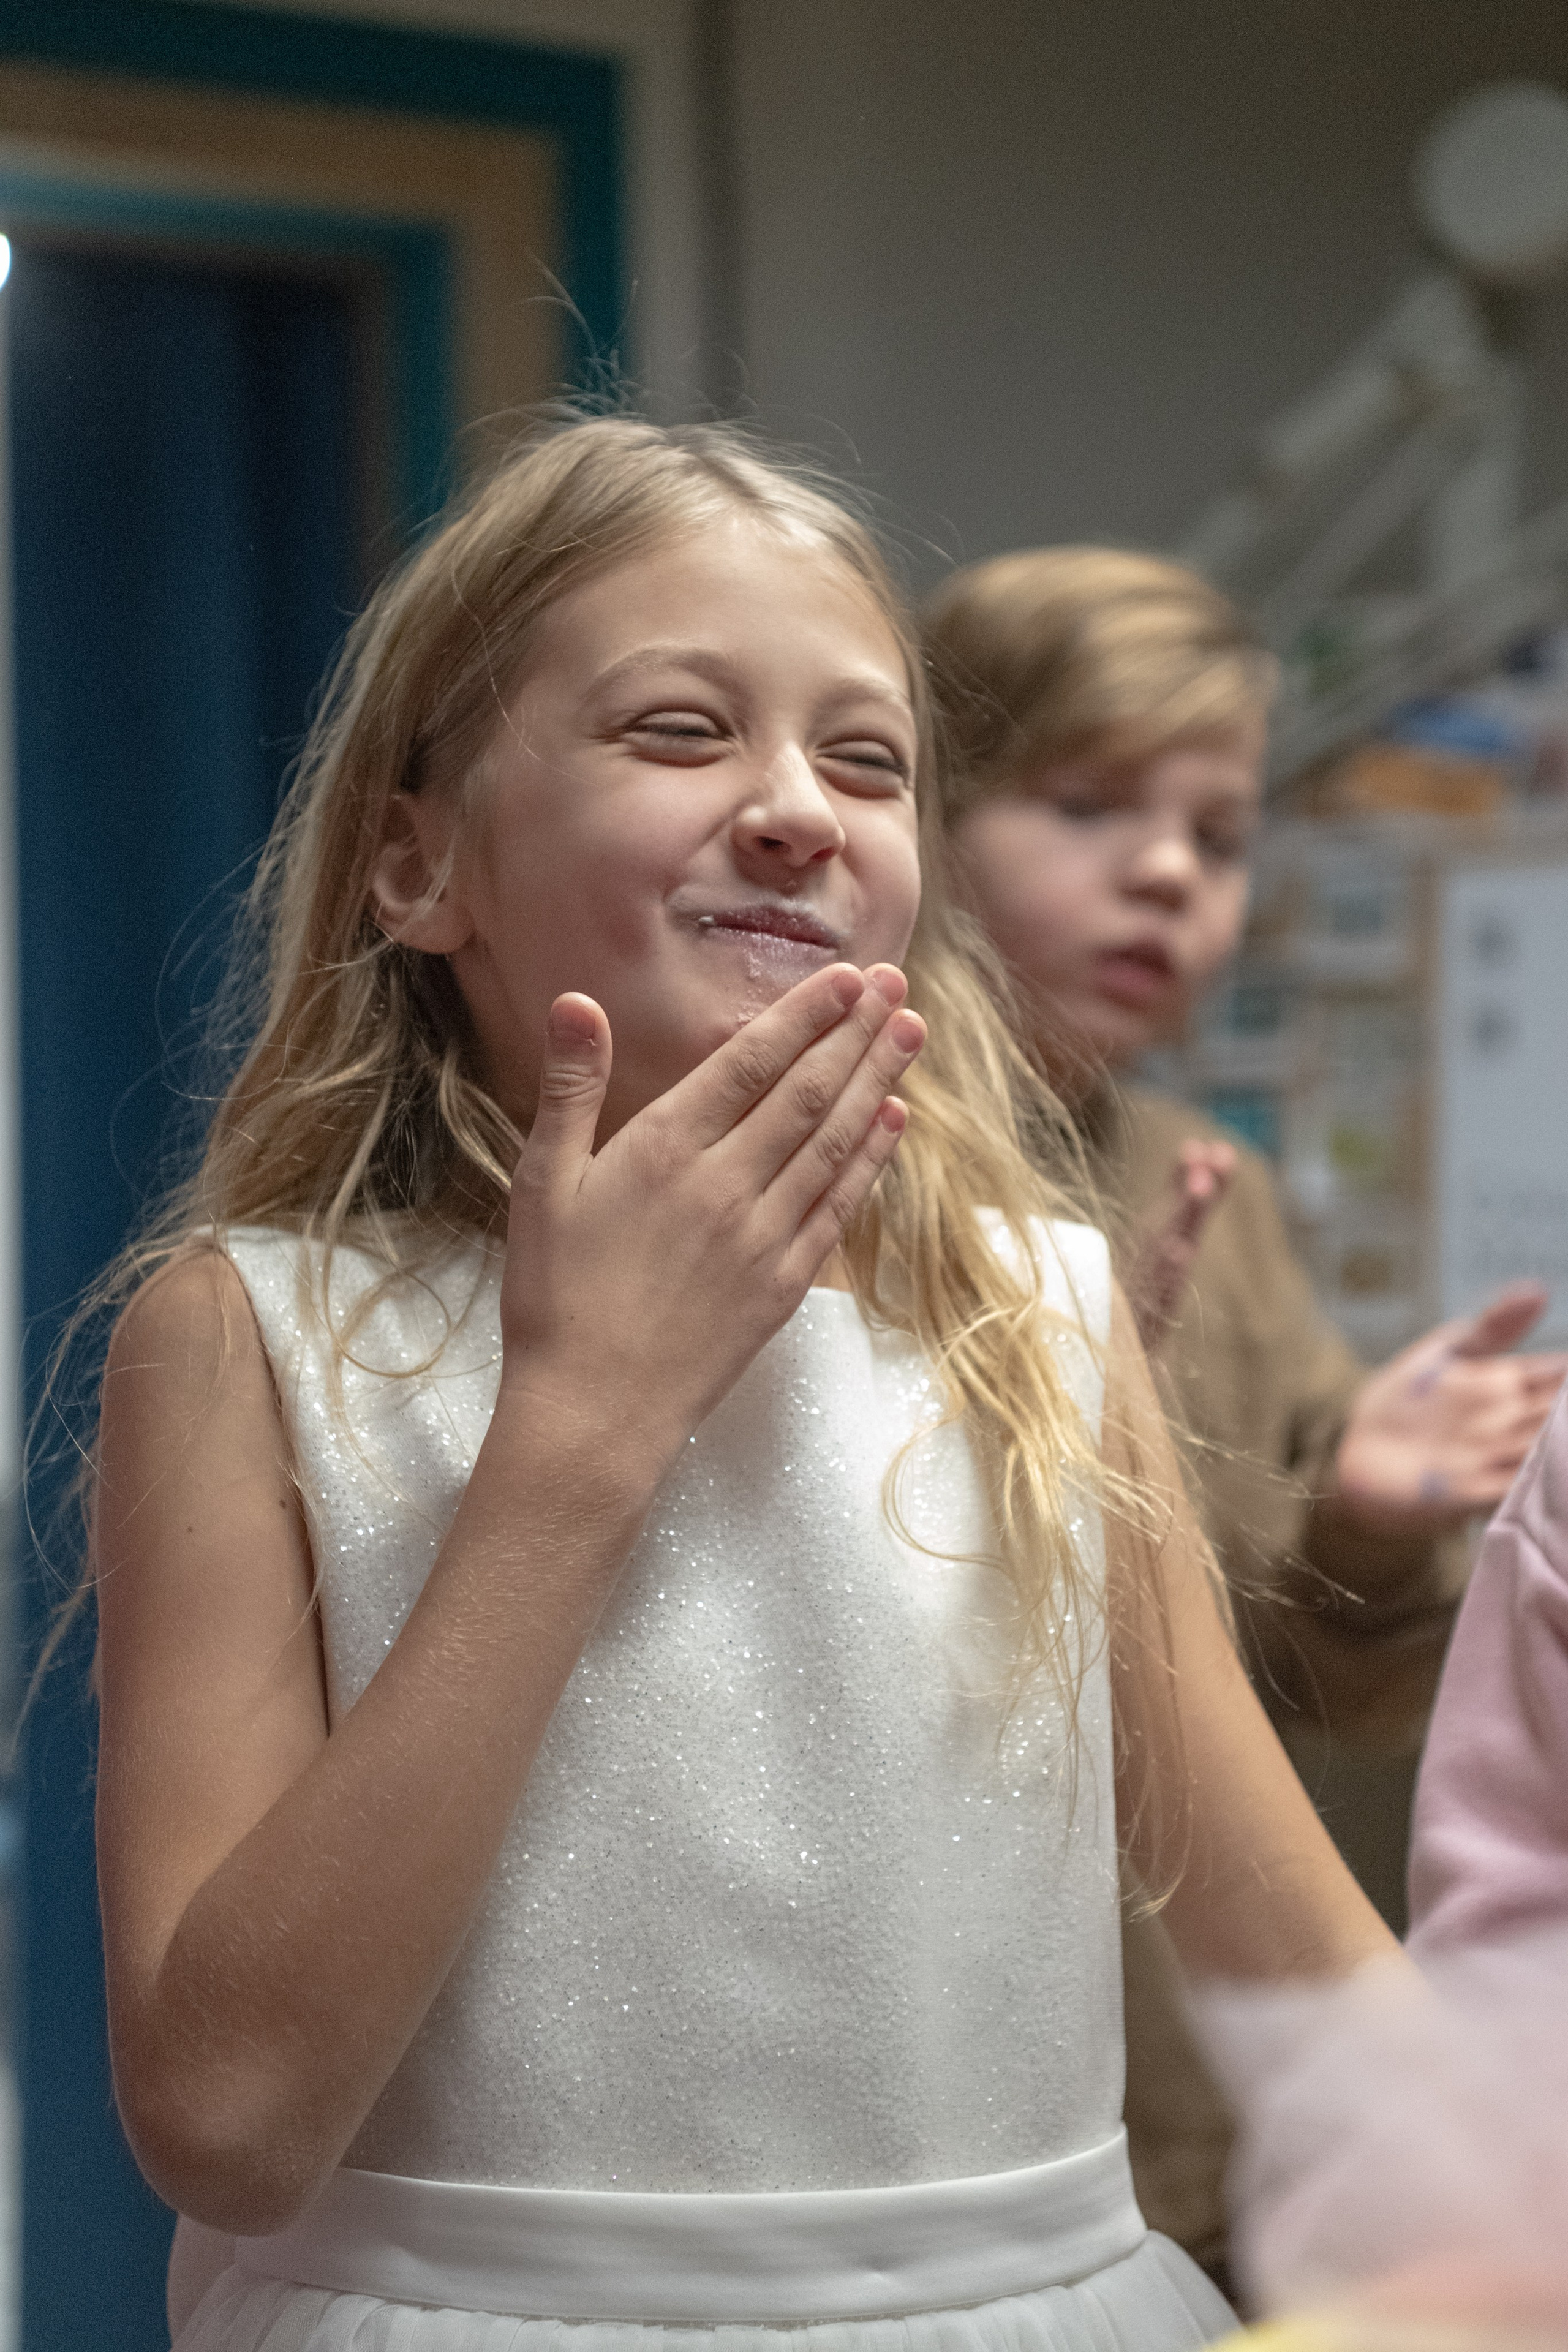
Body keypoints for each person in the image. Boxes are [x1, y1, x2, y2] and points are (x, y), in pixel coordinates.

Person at [88, 422, 1394, 2352]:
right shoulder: (243, 1340)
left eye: (867, 760)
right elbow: (228, 2126)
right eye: (680, 731)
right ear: (416, 857)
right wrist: (579, 1436)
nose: (798, 809)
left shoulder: (1041, 1318)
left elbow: (1312, 1974)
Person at [920, 546, 1565, 2278]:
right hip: (909, 2103)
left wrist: (1366, 1511)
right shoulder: (848, 1171)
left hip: (1179, 2100)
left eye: (1216, 838)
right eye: (1088, 806)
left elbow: (1315, 1686)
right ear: (926, 821)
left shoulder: (1218, 1196)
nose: (1165, 877)